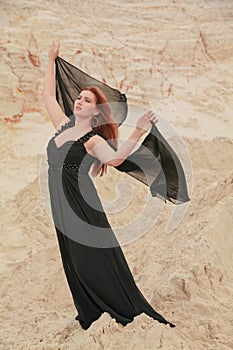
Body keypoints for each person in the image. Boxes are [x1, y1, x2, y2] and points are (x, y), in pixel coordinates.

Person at [44, 41, 175, 330]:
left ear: (96, 112)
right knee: (74, 262)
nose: (79, 102)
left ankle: (119, 309)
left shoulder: (92, 139)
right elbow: (49, 98)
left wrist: (139, 130)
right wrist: (51, 61)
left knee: (89, 259)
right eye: (78, 98)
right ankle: (91, 311)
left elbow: (114, 160)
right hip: (60, 204)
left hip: (80, 205)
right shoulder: (63, 127)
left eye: (87, 101)